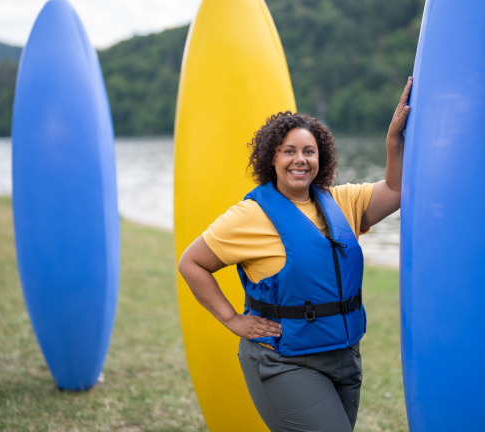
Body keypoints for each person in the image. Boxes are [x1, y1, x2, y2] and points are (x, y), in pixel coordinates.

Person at [177, 77, 413, 431]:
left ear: (322, 157)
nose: (299, 160)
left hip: (344, 355)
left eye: (308, 151)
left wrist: (394, 139)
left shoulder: (341, 201)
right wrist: (232, 319)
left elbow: (395, 189)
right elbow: (191, 262)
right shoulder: (250, 216)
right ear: (272, 157)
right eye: (289, 151)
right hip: (283, 361)